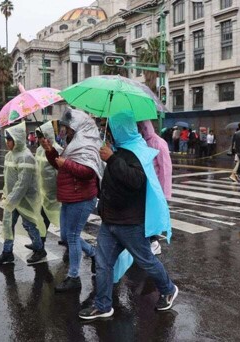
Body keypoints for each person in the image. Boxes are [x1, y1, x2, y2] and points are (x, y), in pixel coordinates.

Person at [79, 110, 177, 320]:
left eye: (113, 128)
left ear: (120, 128)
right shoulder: (119, 149)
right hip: (111, 220)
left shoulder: (139, 151)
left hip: (130, 222)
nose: (110, 132)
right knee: (103, 263)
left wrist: (112, 158)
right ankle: (103, 305)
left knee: (146, 260)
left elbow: (135, 181)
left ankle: (168, 289)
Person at [43, 110, 103, 292]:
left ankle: (74, 277)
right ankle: (93, 253)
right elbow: (61, 165)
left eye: (67, 127)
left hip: (82, 197)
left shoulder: (87, 145)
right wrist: (50, 151)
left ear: (77, 126)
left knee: (73, 236)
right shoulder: (73, 143)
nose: (65, 130)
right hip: (69, 196)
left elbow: (88, 172)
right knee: (66, 236)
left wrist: (65, 163)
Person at [0, 121, 47, 266]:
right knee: (8, 224)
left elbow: (23, 183)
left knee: (29, 225)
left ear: (18, 139)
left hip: (25, 199)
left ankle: (40, 249)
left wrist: (11, 199)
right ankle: (7, 253)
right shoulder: (9, 156)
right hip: (12, 199)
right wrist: (5, 194)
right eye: (7, 139)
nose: (8, 143)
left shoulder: (26, 156)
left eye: (10, 140)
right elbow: (7, 177)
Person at [138, 120, 172, 255]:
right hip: (144, 186)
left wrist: (165, 193)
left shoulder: (158, 142)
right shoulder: (141, 142)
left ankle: (154, 242)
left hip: (155, 187)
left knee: (153, 216)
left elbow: (166, 169)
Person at [32, 122, 63, 252]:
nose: (40, 140)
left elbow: (61, 172)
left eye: (42, 137)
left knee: (48, 219)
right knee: (42, 219)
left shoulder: (58, 150)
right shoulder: (39, 150)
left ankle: (40, 247)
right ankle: (39, 243)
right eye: (38, 137)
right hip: (42, 191)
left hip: (54, 193)